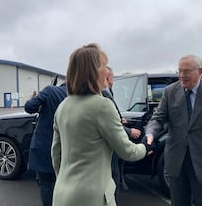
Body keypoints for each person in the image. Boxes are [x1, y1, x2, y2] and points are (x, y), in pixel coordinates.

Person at [51, 43, 153, 206]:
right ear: (94, 70)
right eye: (105, 66)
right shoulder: (102, 106)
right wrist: (146, 147)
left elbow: (56, 155)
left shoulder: (63, 106)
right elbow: (127, 151)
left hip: (62, 194)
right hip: (92, 198)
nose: (107, 71)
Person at [144, 55, 202, 206]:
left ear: (200, 71)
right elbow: (157, 119)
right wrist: (150, 134)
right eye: (179, 71)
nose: (181, 76)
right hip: (177, 163)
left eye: (187, 71)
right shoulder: (170, 92)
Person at [101, 66, 142, 204]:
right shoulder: (104, 95)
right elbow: (110, 123)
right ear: (107, 78)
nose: (112, 81)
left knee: (115, 176)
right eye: (112, 78)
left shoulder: (107, 92)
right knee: (113, 177)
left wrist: (120, 118)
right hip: (111, 146)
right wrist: (130, 132)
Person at [24, 83, 67, 206]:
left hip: (45, 146)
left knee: (45, 185)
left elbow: (29, 107)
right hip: (65, 148)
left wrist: (36, 98)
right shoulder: (74, 96)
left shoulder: (50, 91)